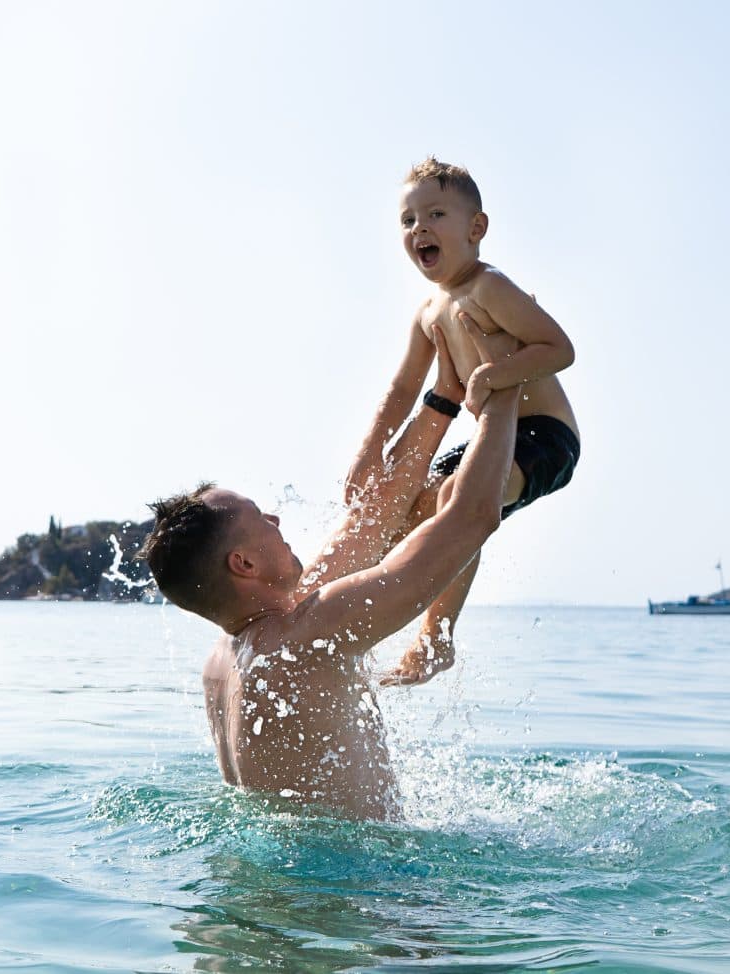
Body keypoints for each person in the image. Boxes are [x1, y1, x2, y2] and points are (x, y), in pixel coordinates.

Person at [140, 323, 522, 820]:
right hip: (356, 893)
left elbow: (374, 518)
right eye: (261, 517)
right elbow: (472, 519)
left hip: (274, 892)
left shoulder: (232, 657)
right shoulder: (305, 636)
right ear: (245, 564)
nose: (276, 520)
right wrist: (504, 390)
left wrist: (446, 393)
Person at [345, 157, 581, 686]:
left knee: (456, 498)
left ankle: (437, 638)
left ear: (476, 229)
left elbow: (558, 348)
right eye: (408, 221)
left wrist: (494, 375)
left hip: (545, 436)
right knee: (416, 508)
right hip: (489, 437)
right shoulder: (429, 310)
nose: (419, 229)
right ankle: (373, 629)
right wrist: (368, 451)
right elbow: (403, 390)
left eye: (435, 215)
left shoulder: (490, 288)